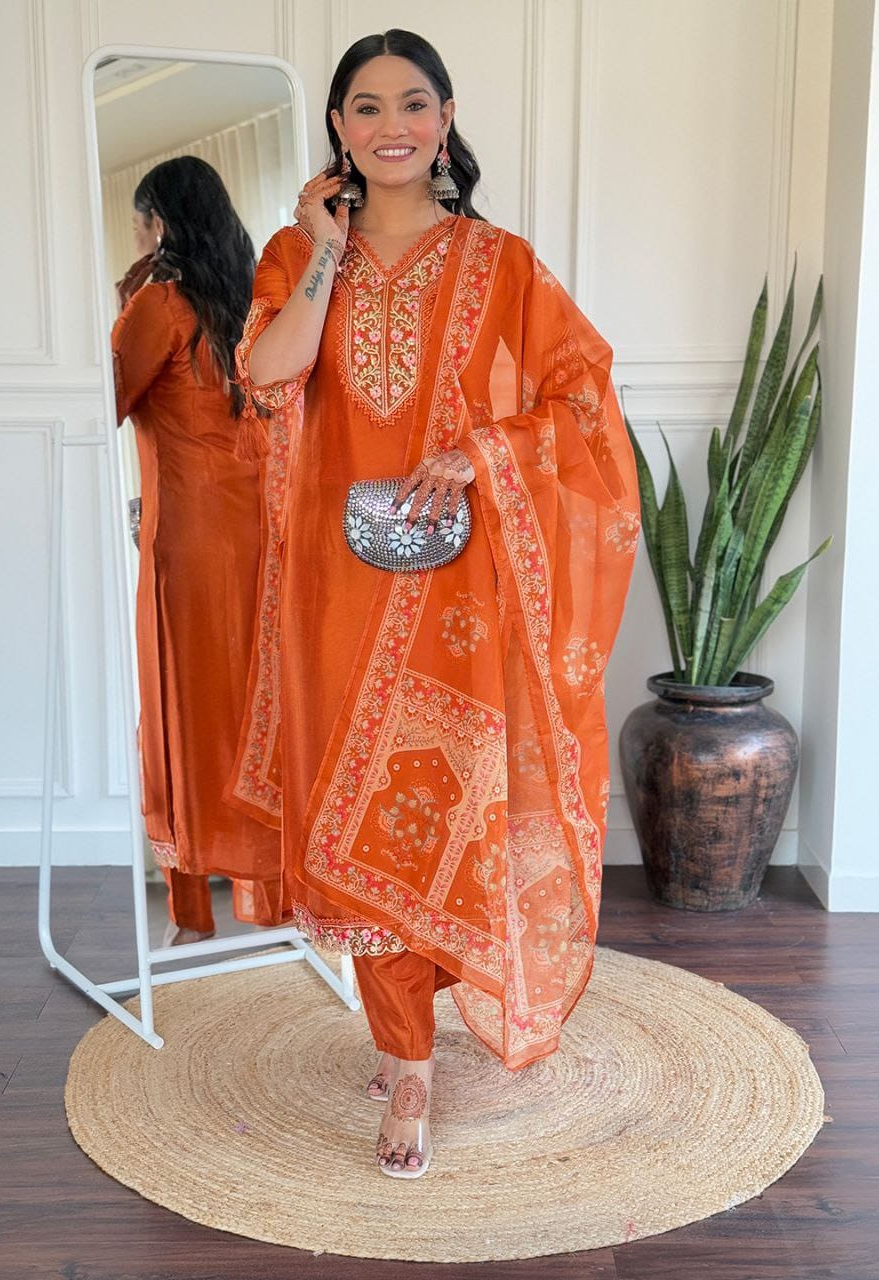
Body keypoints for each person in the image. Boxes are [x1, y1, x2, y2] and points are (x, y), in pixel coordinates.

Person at [228, 30, 640, 1177]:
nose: (391, 125)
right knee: (346, 823)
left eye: (413, 103)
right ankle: (407, 1056)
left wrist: (489, 450)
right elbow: (268, 376)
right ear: (339, 131)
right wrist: (322, 249)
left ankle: (408, 1047)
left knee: (436, 815)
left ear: (446, 118)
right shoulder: (294, 252)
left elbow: (584, 399)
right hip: (330, 583)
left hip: (462, 587)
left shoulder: (500, 262)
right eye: (365, 108)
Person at [112, 156, 284, 945]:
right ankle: (277, 898)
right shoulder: (247, 302)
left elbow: (105, 397)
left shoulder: (161, 302)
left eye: (141, 222)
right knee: (254, 705)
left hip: (190, 536)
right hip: (258, 529)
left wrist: (135, 287)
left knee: (184, 708)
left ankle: (192, 914)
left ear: (162, 225)